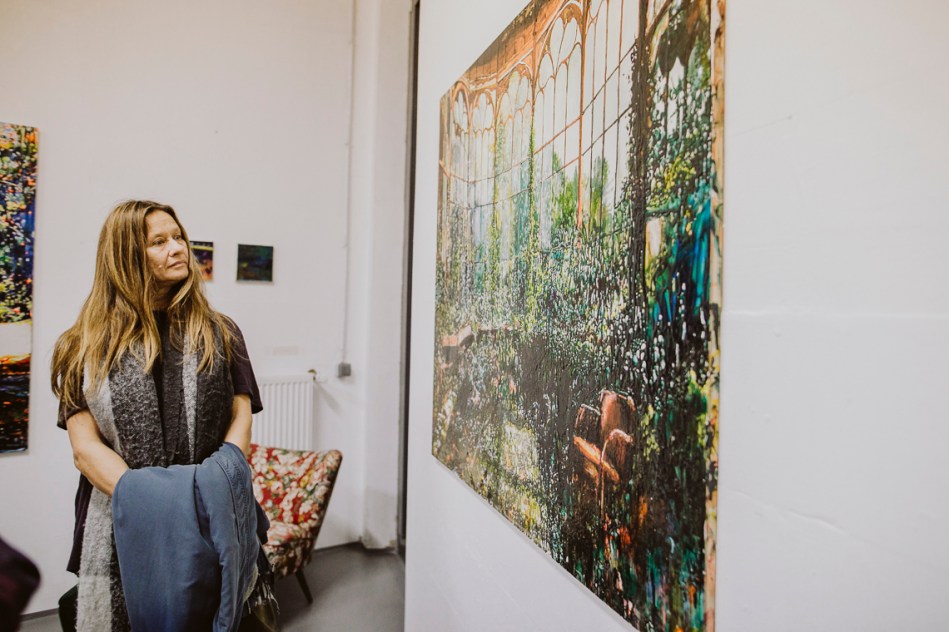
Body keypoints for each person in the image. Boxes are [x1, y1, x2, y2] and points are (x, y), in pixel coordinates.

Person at [51, 200, 264, 631]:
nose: (178, 248)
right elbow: (84, 448)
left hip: (214, 518)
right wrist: (164, 506)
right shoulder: (81, 346)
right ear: (126, 255)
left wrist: (204, 498)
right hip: (119, 525)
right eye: (159, 242)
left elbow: (240, 418)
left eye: (178, 237)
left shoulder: (221, 332)